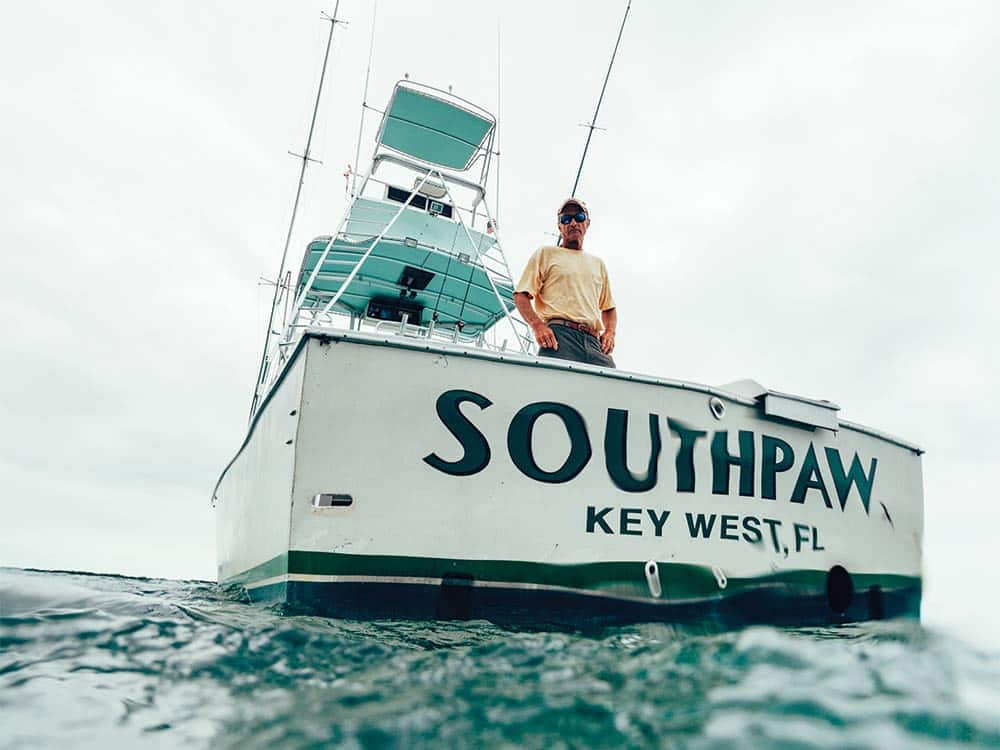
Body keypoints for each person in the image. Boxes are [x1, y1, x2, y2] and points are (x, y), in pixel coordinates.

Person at [513, 198, 617, 368]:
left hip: (594, 342)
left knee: (612, 388)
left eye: (579, 217)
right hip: (559, 338)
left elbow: (609, 308)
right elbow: (521, 295)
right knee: (554, 392)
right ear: (559, 226)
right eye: (566, 219)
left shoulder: (598, 263)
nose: (573, 223)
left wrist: (610, 333)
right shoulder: (546, 253)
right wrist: (538, 326)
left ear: (588, 223)